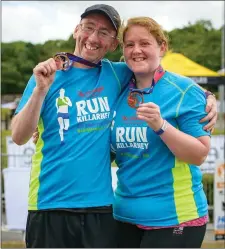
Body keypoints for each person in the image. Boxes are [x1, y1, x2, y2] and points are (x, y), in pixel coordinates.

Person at [12, 4, 217, 248]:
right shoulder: (46, 76)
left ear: (112, 45)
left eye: (105, 32)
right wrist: (40, 91)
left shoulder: (116, 74)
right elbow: (18, 136)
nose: (93, 38)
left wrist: (206, 96)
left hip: (100, 210)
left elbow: (155, 72)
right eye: (89, 28)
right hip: (50, 204)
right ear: (77, 30)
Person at [110, 17, 212, 248]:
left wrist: (161, 125)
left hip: (176, 218)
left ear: (162, 47)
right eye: (129, 44)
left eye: (144, 43)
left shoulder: (185, 91)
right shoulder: (118, 89)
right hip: (124, 216)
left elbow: (199, 155)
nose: (136, 51)